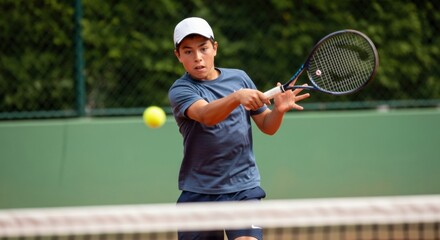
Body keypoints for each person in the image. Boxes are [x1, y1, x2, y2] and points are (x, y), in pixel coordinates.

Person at [168, 17, 310, 240]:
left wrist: (278, 111)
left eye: (203, 49)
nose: (197, 58)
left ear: (214, 48)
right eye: (188, 52)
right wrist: (237, 97)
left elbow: (267, 126)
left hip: (243, 187)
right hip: (200, 192)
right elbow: (206, 115)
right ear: (178, 56)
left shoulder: (240, 78)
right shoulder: (181, 90)